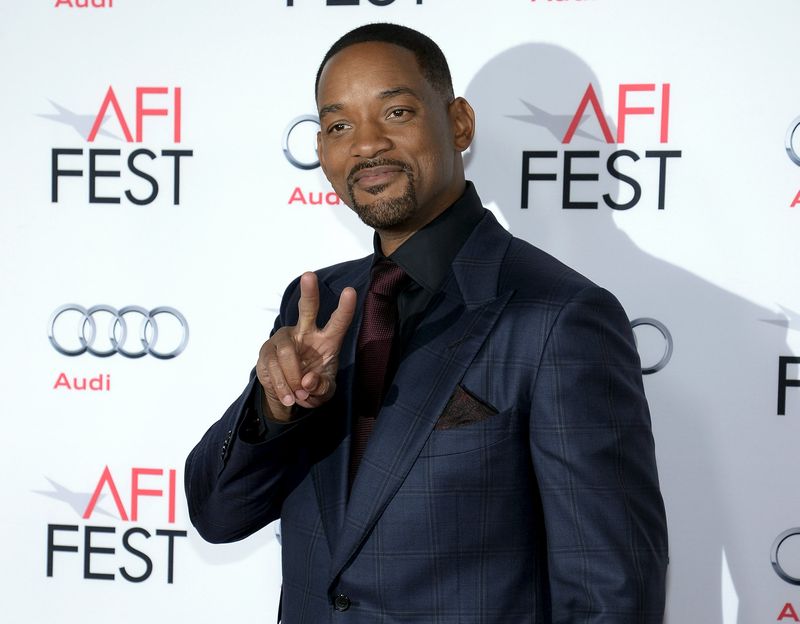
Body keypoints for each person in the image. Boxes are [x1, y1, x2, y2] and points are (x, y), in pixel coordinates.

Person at [185, 23, 668, 623]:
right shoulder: (318, 302)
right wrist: (276, 408)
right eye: (339, 126)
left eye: (395, 111)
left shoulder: (560, 317)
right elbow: (218, 514)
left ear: (459, 123)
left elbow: (609, 595)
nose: (365, 145)